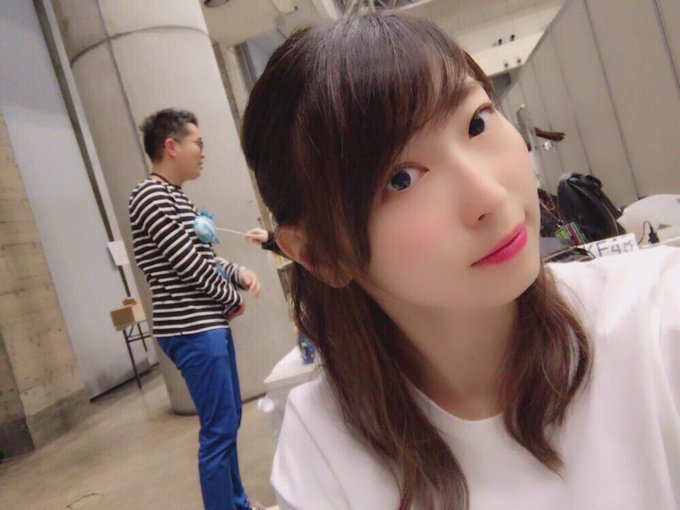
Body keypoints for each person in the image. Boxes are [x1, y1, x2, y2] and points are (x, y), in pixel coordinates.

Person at [240, 12, 680, 510]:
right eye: (401, 179)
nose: (489, 195)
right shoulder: (322, 445)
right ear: (322, 254)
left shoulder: (654, 319)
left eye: (476, 123)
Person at [129, 109, 262, 510]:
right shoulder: (151, 196)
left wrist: (237, 272)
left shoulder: (175, 198)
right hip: (191, 328)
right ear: (171, 146)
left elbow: (202, 256)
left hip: (206, 324)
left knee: (228, 421)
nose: (202, 152)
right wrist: (230, 298)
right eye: (197, 143)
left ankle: (236, 503)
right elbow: (187, 263)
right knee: (219, 430)